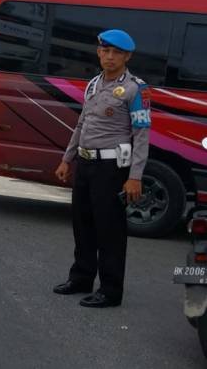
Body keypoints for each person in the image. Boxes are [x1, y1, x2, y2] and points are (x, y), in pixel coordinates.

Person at [53, 29, 151, 308]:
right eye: (105, 51)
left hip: (111, 168)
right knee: (82, 224)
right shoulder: (93, 84)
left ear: (127, 56)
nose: (109, 57)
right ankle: (81, 278)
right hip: (85, 163)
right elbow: (81, 124)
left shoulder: (135, 89)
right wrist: (66, 159)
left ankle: (110, 290)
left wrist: (135, 176)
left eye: (116, 53)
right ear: (98, 52)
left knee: (109, 230)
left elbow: (142, 135)